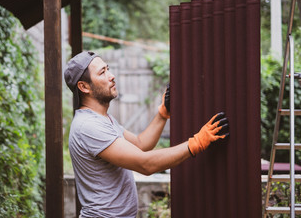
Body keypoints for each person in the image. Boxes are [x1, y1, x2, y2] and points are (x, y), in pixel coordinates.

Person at [64, 51, 229, 217]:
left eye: (108, 69)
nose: (112, 76)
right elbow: (146, 164)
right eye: (102, 72)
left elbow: (140, 144)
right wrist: (197, 143)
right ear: (84, 87)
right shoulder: (89, 126)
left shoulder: (103, 120)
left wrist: (163, 114)